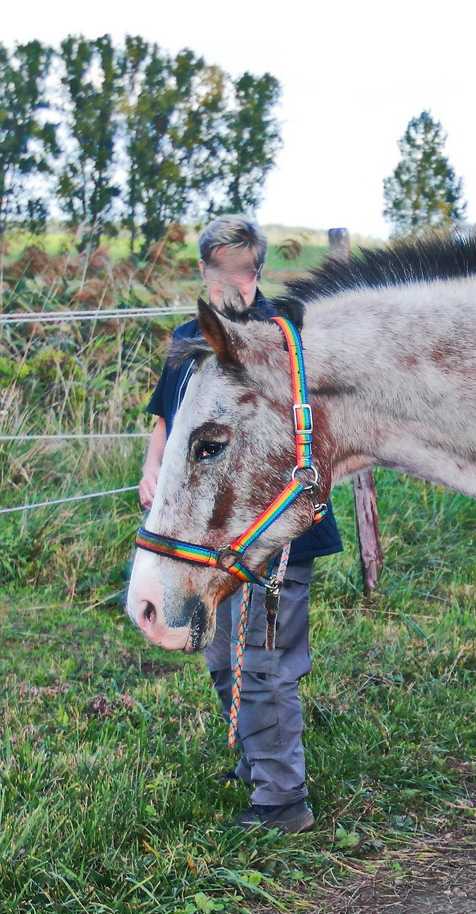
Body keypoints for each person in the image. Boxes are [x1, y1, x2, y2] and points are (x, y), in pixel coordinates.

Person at [140, 216, 343, 833]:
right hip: (215, 533)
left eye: (244, 272)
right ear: (203, 274)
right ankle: (259, 760)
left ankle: (284, 798)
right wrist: (153, 468)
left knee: (264, 657)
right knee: (223, 656)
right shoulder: (189, 340)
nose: (234, 286)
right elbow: (167, 420)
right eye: (219, 273)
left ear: (258, 271)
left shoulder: (284, 336)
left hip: (278, 529)